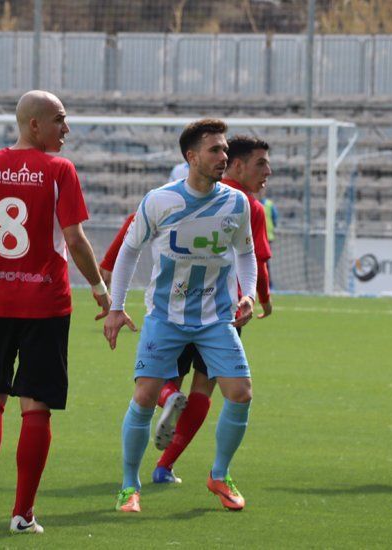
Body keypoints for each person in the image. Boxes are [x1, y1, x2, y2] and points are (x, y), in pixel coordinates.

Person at [0, 90, 111, 534]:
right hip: (45, 304)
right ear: (35, 125)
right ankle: (22, 514)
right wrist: (99, 286)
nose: (66, 129)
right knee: (37, 405)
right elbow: (74, 239)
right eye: (60, 120)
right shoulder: (59, 170)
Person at [104, 119, 257, 513]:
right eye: (215, 150)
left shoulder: (236, 203)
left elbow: (245, 252)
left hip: (216, 318)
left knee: (240, 393)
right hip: (165, 316)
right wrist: (116, 308)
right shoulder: (159, 200)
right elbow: (128, 251)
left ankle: (219, 475)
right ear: (191, 157)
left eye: (225, 150)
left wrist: (249, 294)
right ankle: (128, 486)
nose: (224, 157)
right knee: (144, 396)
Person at [149, 135, 274, 485]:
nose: (268, 170)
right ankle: (165, 465)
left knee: (164, 380)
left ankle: (170, 397)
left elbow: (138, 222)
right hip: (223, 311)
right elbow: (256, 261)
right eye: (261, 163)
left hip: (177, 302)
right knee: (204, 387)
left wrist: (109, 263)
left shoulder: (180, 193)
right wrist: (262, 298)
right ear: (236, 163)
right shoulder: (245, 204)